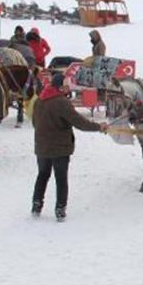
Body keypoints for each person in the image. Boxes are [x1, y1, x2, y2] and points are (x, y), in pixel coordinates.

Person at [32, 73, 107, 221]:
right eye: (67, 85)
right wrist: (99, 127)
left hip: (41, 147)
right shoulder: (62, 103)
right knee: (61, 178)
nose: (69, 88)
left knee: (42, 175)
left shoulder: (39, 100)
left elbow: (35, 123)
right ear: (60, 87)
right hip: (60, 148)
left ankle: (36, 204)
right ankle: (60, 209)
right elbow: (80, 123)